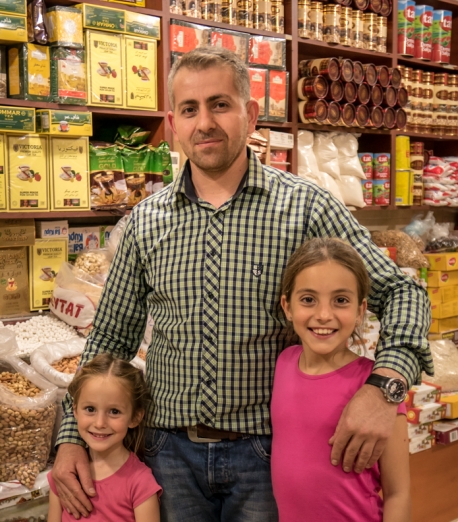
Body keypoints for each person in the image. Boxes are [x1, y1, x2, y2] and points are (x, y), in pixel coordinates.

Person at [52, 47, 432, 522]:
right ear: (173, 123)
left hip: (269, 456)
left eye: (220, 104)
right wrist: (70, 436)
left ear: (250, 114)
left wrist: (384, 389)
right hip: (168, 455)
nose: (204, 122)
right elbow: (110, 339)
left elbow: (402, 291)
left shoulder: (307, 208)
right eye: (189, 109)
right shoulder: (145, 222)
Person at [272, 238, 410, 522]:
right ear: (287, 306)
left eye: (341, 301)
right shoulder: (284, 362)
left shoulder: (375, 388)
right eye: (308, 299)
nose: (324, 315)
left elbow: (399, 493)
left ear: (361, 311)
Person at [47, 354, 161, 522]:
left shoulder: (140, 483)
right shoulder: (65, 475)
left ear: (135, 417)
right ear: (75, 411)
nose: (100, 423)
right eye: (90, 409)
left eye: (114, 411)